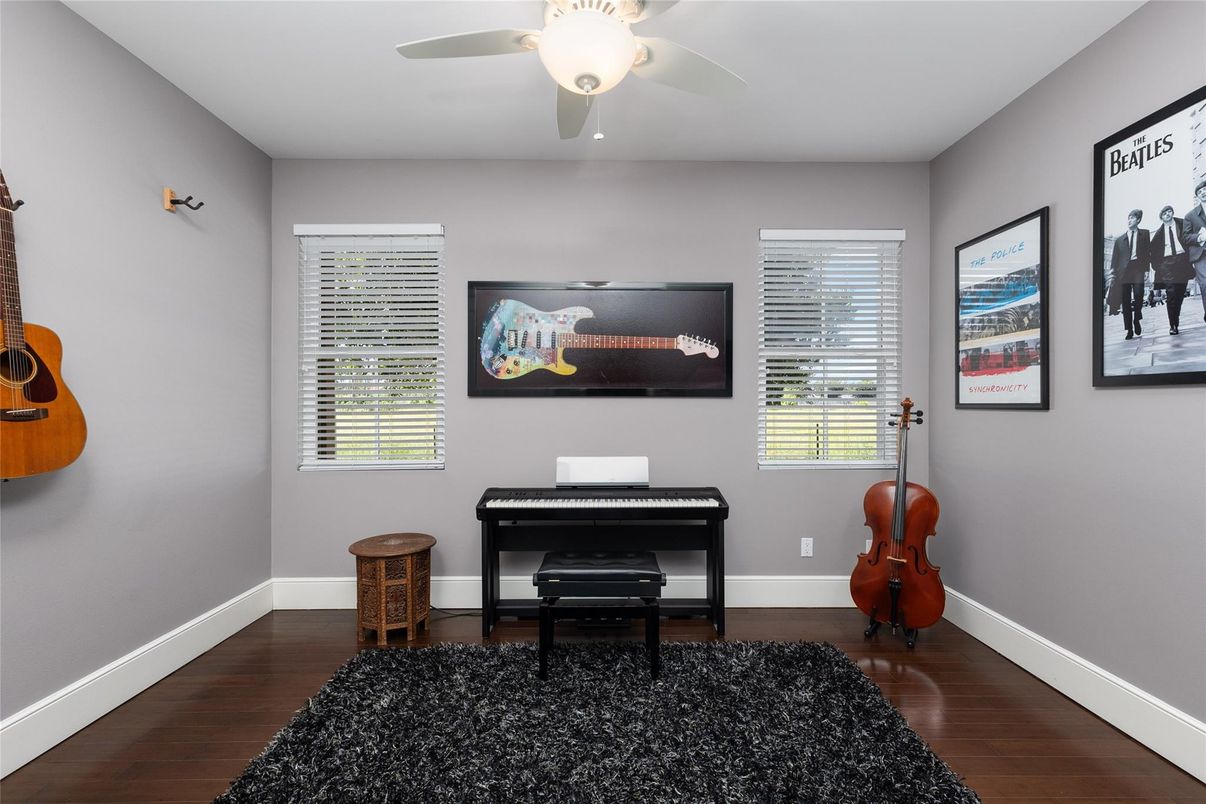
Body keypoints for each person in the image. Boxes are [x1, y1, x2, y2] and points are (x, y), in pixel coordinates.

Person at [1150, 205, 1193, 334]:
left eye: (1169, 211)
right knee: (1171, 294)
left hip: (1182, 261)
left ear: (1173, 213)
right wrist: (1159, 267)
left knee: (1180, 293)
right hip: (1167, 264)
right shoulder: (1158, 234)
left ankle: (1176, 319)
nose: (1167, 214)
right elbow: (1152, 252)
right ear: (1161, 217)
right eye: (1164, 213)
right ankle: (1172, 325)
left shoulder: (1182, 223)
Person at [1108, 209, 1150, 339]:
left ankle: (1137, 318)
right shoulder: (1119, 240)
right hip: (1123, 272)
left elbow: (1147, 253)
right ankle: (1129, 329)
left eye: (1132, 218)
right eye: (1129, 218)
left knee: (1138, 295)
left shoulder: (1145, 234)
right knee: (1125, 300)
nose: (1129, 220)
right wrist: (1112, 274)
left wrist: (1147, 270)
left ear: (1138, 220)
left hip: (1138, 268)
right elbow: (1115, 259)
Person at [1182, 180, 1206, 323]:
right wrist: (1200, 236)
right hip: (1201, 254)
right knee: (1205, 284)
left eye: (1205, 189)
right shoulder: (1190, 215)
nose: (1203, 192)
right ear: (1197, 196)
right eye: (1200, 191)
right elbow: (1186, 237)